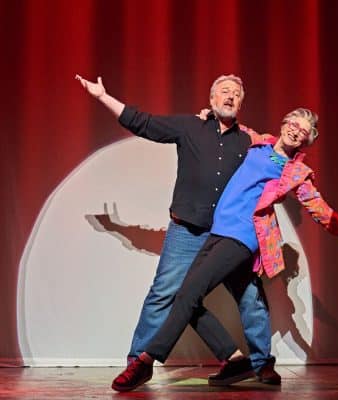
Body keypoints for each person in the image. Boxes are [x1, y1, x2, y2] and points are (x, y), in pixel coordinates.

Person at [112, 107, 338, 391]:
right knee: (190, 298)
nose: (295, 131)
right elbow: (230, 127)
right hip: (217, 231)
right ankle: (235, 359)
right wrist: (210, 115)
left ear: (306, 141)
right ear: (284, 123)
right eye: (293, 124)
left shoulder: (296, 172)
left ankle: (145, 361)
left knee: (196, 295)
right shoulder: (258, 142)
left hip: (243, 235)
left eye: (303, 131)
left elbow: (319, 208)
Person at [75, 74, 281, 391]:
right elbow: (143, 123)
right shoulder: (190, 127)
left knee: (250, 296)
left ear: (241, 103)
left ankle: (261, 364)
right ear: (212, 100)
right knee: (166, 294)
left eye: (236, 93)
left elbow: (280, 157)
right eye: (224, 91)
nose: (230, 96)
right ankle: (138, 363)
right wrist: (103, 96)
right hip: (187, 230)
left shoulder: (249, 142)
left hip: (229, 236)